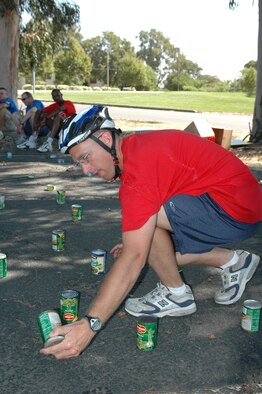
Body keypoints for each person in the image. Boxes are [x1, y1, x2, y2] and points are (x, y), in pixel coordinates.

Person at [40, 105, 262, 360]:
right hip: (238, 201)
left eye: (85, 158)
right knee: (152, 249)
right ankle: (235, 262)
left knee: (145, 235)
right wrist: (140, 245)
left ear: (104, 138)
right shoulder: (137, 148)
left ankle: (177, 294)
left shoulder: (139, 171)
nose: (86, 171)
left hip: (235, 210)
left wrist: (90, 324)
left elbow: (134, 259)